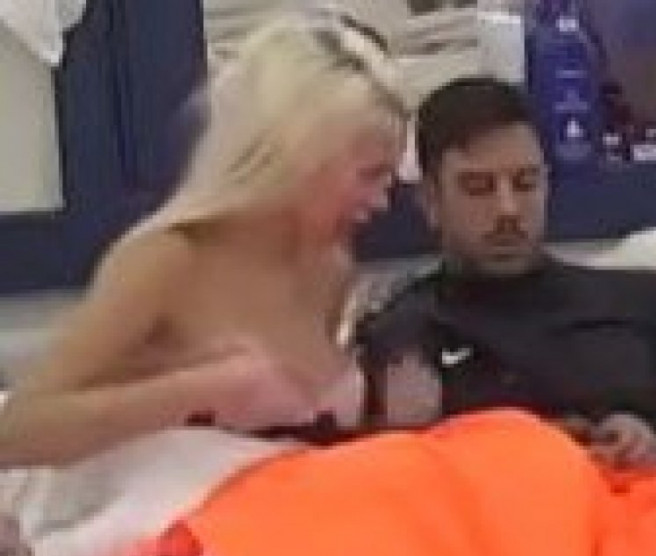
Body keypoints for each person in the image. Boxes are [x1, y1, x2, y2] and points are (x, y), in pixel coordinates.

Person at [0, 17, 407, 466]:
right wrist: (197, 392)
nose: (382, 202)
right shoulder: (166, 261)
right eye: (370, 175)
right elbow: (16, 432)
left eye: (389, 179)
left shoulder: (329, 268)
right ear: (298, 156)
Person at [356, 76, 656, 469]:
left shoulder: (647, 301)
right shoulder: (406, 333)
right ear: (430, 200)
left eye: (525, 183)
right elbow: (386, 478)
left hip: (654, 504)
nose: (508, 209)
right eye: (478, 188)